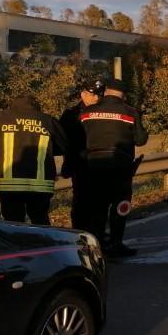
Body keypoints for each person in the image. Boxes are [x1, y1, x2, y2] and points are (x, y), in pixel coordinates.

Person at [80, 78, 148, 257]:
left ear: (106, 91)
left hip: (94, 164)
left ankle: (99, 245)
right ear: (123, 95)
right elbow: (141, 140)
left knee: (98, 206)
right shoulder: (130, 112)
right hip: (121, 165)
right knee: (120, 205)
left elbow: (80, 136)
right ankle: (117, 243)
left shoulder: (88, 112)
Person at [0, 95, 67, 225]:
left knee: (12, 222)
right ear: (36, 106)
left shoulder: (0, 118)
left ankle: (17, 244)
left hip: (8, 184)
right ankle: (42, 244)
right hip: (41, 184)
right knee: (40, 220)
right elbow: (64, 146)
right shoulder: (47, 120)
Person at [60, 76, 105, 232]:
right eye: (93, 94)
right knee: (80, 200)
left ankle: (98, 233)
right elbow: (62, 140)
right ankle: (79, 232)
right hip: (79, 164)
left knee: (99, 201)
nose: (96, 98)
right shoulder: (71, 115)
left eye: (99, 94)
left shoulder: (105, 114)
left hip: (100, 164)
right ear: (83, 94)